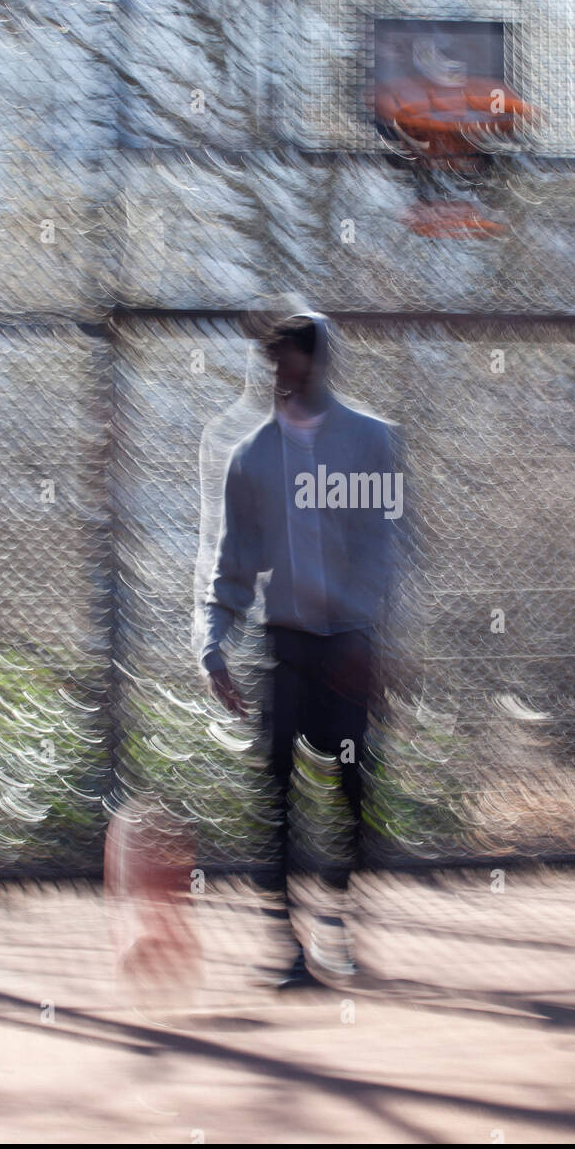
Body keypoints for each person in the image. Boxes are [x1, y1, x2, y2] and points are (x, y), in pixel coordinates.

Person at [198, 309, 401, 984]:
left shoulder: (373, 443)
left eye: (291, 359)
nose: (280, 373)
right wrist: (213, 646)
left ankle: (337, 924)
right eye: (273, 362)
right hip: (285, 646)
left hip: (347, 648)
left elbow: (387, 549)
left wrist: (365, 633)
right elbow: (234, 563)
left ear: (319, 363)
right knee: (276, 793)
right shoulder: (252, 456)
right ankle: (285, 945)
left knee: (350, 791)